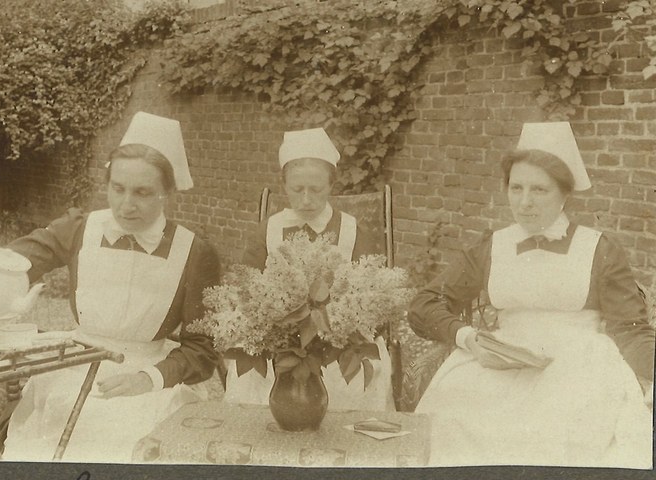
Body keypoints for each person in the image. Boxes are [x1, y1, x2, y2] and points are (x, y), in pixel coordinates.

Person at [0, 112, 220, 462]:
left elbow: (202, 351)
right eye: (117, 188)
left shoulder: (195, 252)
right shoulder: (81, 228)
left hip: (147, 378)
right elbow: (23, 259)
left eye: (142, 192)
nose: (126, 205)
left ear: (167, 193)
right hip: (75, 368)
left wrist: (148, 378)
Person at [408, 122, 654, 468]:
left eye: (539, 190)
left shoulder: (598, 248)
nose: (524, 203)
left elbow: (630, 328)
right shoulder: (492, 245)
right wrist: (468, 338)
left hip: (580, 367)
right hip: (499, 364)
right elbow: (424, 305)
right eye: (516, 188)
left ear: (564, 194)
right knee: (454, 425)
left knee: (556, 435)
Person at [228, 127, 394, 411]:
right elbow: (244, 292)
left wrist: (341, 327)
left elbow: (375, 300)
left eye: (316, 190)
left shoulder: (354, 232)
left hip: (340, 348)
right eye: (297, 189)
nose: (306, 200)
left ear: (331, 186)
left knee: (352, 382)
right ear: (284, 187)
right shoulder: (269, 230)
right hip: (278, 349)